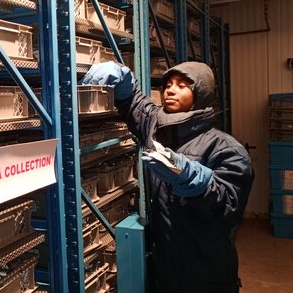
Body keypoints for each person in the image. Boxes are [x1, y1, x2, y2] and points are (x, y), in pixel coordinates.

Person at [81, 61, 254, 293]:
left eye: (182, 85)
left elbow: (229, 206)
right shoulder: (156, 126)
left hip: (205, 269)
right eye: (168, 84)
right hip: (164, 264)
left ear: (200, 94)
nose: (170, 90)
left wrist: (196, 181)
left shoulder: (225, 148)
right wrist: (122, 79)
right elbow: (134, 103)